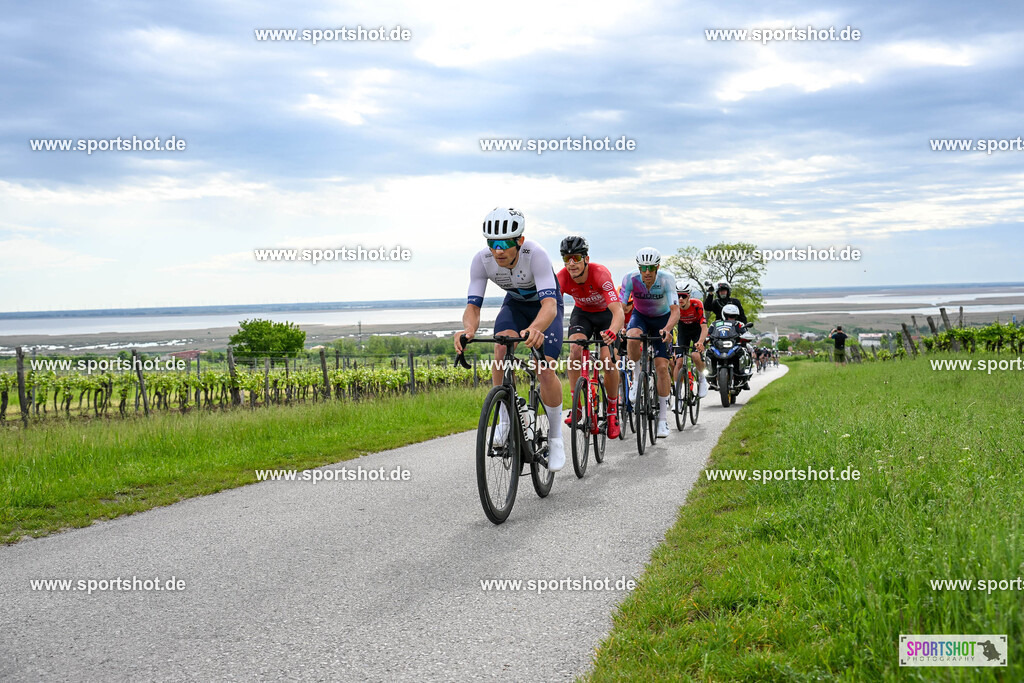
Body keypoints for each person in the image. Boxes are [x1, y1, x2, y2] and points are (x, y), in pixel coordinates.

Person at [455, 208, 566, 471]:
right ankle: (505, 420)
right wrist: (468, 330)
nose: (498, 251)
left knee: (544, 368)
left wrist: (537, 328)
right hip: (515, 306)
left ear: (520, 241)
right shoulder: (481, 260)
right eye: (492, 244)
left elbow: (549, 305)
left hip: (545, 308)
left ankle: (556, 437)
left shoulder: (535, 254)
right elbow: (473, 306)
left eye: (504, 244)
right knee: (500, 349)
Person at [556, 235, 625, 439]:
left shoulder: (600, 274)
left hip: (606, 315)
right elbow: (552, 308)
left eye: (576, 258)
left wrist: (613, 331)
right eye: (566, 258)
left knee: (607, 360)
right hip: (582, 314)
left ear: (586, 258)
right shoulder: (561, 277)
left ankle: (612, 412)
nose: (571, 263)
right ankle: (577, 406)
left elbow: (618, 311)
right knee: (575, 350)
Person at [621, 247, 680, 439]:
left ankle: (662, 420)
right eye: (643, 267)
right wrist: (620, 325)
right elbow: (621, 306)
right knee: (632, 335)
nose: (647, 272)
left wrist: (668, 330)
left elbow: (675, 311)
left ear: (658, 267)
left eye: (651, 268)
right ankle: (637, 378)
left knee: (662, 367)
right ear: (639, 267)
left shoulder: (666, 279)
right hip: (641, 317)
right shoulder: (630, 278)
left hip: (662, 320)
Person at [672, 282, 709, 398]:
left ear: (689, 296)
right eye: (678, 296)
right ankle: (678, 396)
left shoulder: (697, 304)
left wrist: (701, 342)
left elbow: (704, 327)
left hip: (697, 330)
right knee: (678, 362)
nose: (680, 298)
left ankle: (702, 380)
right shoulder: (674, 306)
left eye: (684, 296)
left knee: (695, 356)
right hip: (683, 330)